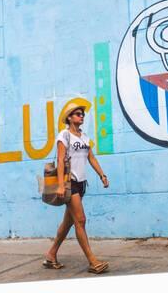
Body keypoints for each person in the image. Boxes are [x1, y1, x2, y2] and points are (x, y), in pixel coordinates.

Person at [42, 103, 110, 274]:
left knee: (68, 223)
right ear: (70, 117)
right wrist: (60, 185)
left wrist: (102, 175)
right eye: (78, 114)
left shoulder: (84, 137)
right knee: (81, 220)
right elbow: (60, 160)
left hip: (81, 184)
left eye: (82, 114)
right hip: (69, 183)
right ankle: (93, 262)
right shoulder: (64, 135)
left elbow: (91, 158)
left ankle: (51, 255)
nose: (82, 116)